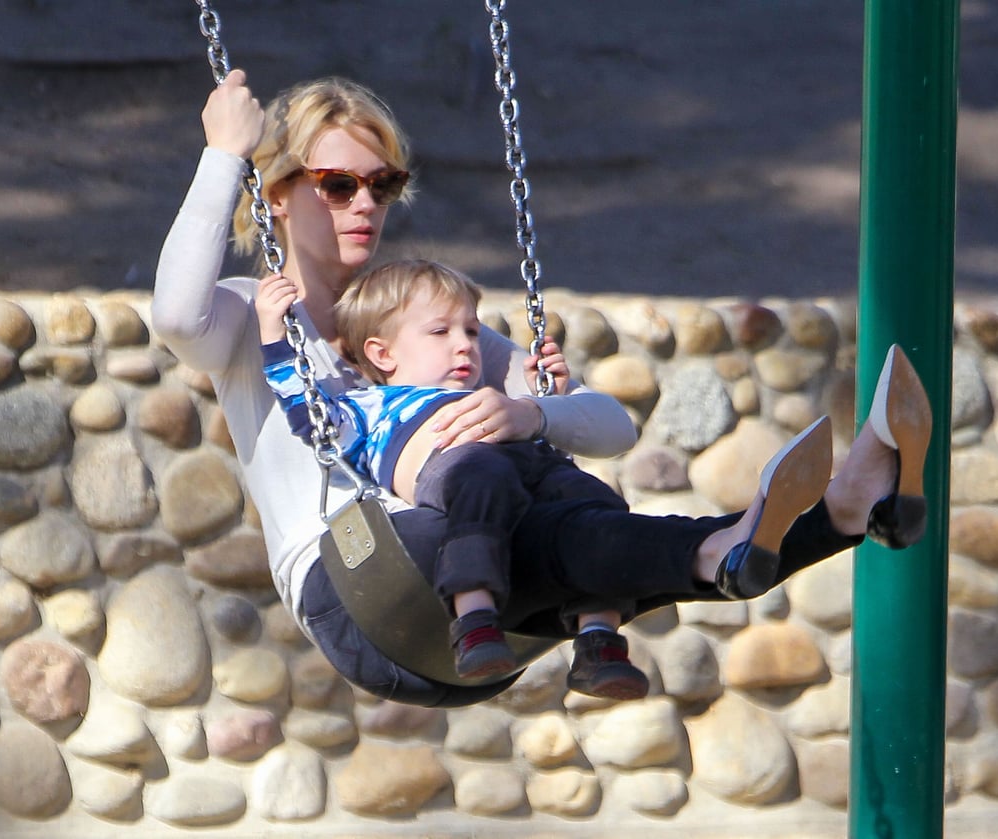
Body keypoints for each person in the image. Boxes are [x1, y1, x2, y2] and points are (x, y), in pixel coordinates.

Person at [153, 70, 934, 708]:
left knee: (580, 525)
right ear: (277, 193)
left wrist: (530, 408)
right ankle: (771, 531)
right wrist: (224, 151)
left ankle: (832, 513)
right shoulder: (247, 318)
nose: (365, 204)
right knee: (524, 517)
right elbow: (174, 314)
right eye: (335, 184)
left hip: (479, 608)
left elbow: (610, 426)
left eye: (382, 184)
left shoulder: (429, 328)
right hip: (362, 589)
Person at [257, 258, 651, 698]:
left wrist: (550, 402)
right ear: (382, 354)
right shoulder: (367, 406)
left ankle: (599, 640)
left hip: (527, 481)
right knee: (482, 479)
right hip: (467, 485)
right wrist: (275, 337)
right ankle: (475, 620)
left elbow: (548, 458)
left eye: (472, 332)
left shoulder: (492, 400)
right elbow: (310, 416)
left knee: (591, 498)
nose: (465, 345)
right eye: (442, 332)